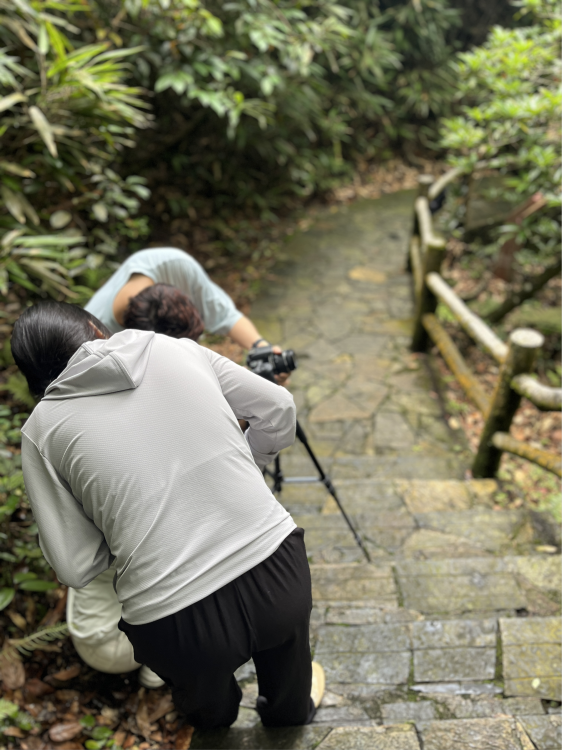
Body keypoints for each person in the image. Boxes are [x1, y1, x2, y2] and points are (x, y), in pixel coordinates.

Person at [12, 302, 325, 729]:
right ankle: (289, 712)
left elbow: (74, 566)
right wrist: (244, 467)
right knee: (290, 695)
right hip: (277, 569)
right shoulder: (172, 348)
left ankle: (217, 720)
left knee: (208, 713)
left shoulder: (41, 430)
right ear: (95, 329)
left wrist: (127, 525)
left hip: (174, 619)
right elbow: (279, 407)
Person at [78, 246, 286, 686]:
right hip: (124, 615)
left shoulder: (170, 264)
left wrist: (260, 348)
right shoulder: (91, 346)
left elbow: (223, 311)